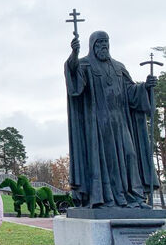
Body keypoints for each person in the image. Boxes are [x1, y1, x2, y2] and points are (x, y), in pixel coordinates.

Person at [65, 32, 158, 208]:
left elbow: (131, 93)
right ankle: (105, 198)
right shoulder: (86, 65)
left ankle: (135, 197)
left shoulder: (118, 67)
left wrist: (145, 87)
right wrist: (74, 55)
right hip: (99, 123)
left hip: (120, 121)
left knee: (130, 155)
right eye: (99, 43)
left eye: (106, 43)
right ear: (92, 46)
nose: (104, 46)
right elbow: (75, 84)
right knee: (106, 160)